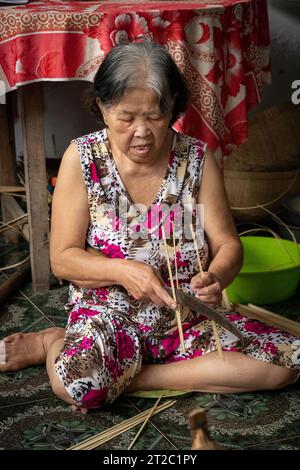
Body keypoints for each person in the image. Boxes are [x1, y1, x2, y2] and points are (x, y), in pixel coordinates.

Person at [0, 41, 299, 414]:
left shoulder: (196, 159)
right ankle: (53, 342)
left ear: (172, 106)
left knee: (283, 364)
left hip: (185, 320)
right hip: (110, 317)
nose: (141, 132)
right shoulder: (83, 159)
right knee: (72, 384)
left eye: (155, 116)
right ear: (103, 108)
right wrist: (124, 271)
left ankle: (133, 377)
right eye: (126, 118)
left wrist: (217, 276)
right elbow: (62, 259)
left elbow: (228, 245)